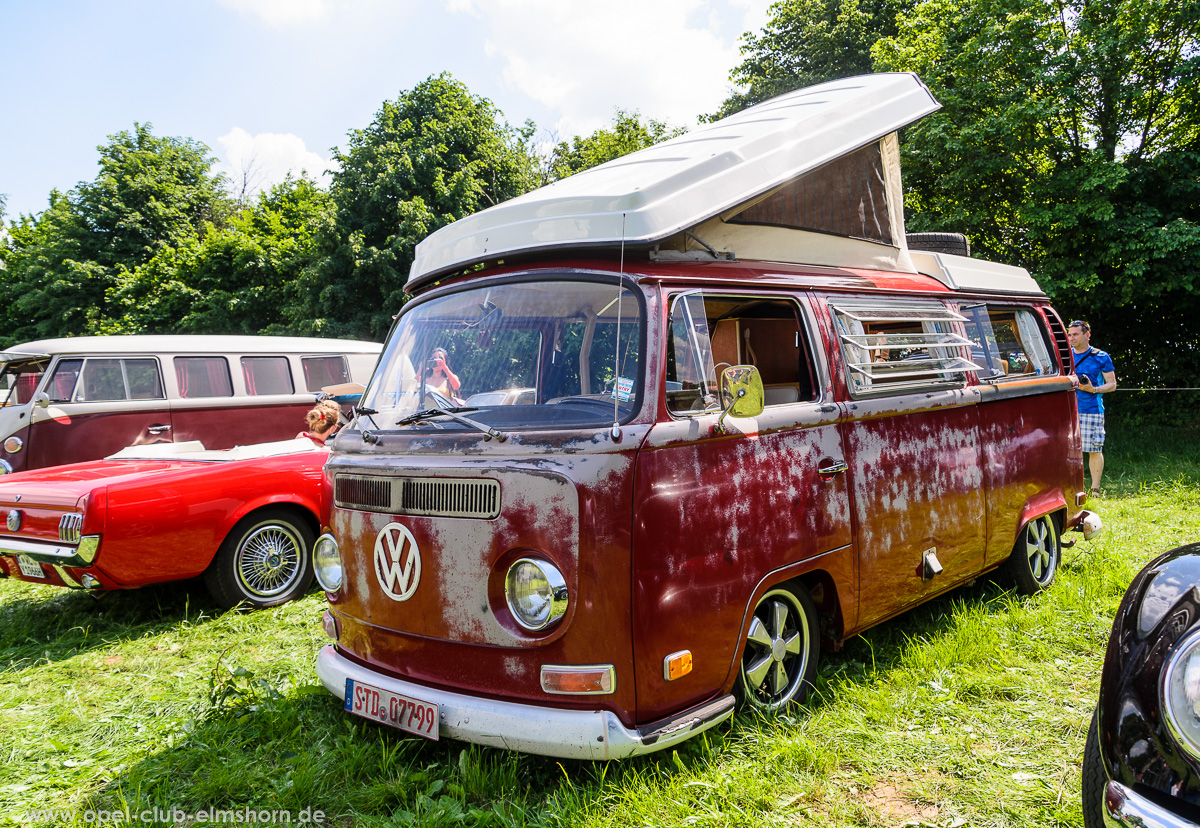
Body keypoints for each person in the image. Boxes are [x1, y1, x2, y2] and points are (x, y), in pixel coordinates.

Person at [1067, 320, 1117, 495]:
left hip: (1092, 409)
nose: (1071, 338)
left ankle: (1095, 488)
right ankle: (1073, 487)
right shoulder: (1065, 355)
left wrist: (1093, 389)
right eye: (1070, 334)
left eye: (1075, 334)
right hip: (1067, 410)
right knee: (1069, 451)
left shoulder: (1101, 356)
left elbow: (1112, 385)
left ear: (1087, 335)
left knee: (1094, 449)